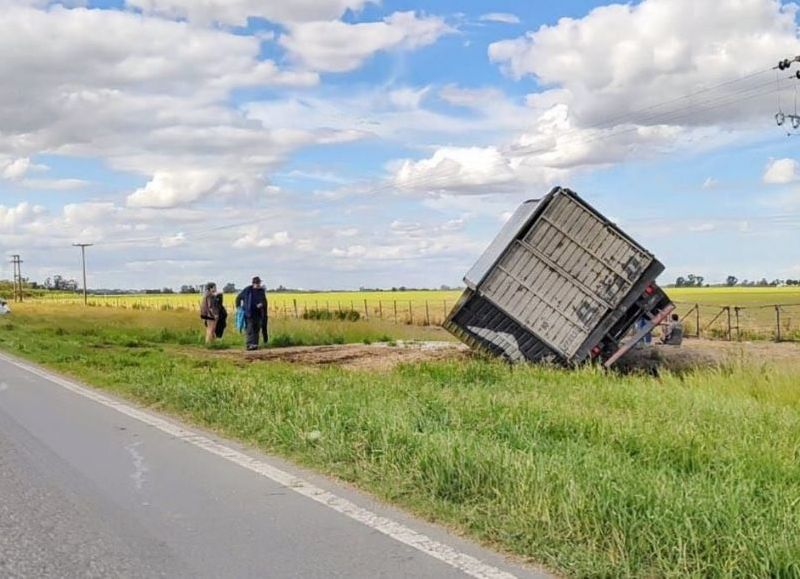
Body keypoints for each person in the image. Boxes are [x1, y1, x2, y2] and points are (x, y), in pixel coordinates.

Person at [236, 276, 268, 350]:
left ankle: (255, 344)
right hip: (249, 313)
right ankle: (249, 344)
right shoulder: (247, 290)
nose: (259, 284)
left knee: (257, 328)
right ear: (254, 283)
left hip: (258, 313)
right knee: (250, 328)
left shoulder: (261, 291)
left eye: (259, 283)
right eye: (258, 283)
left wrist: (261, 304)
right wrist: (238, 307)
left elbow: (264, 301)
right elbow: (238, 298)